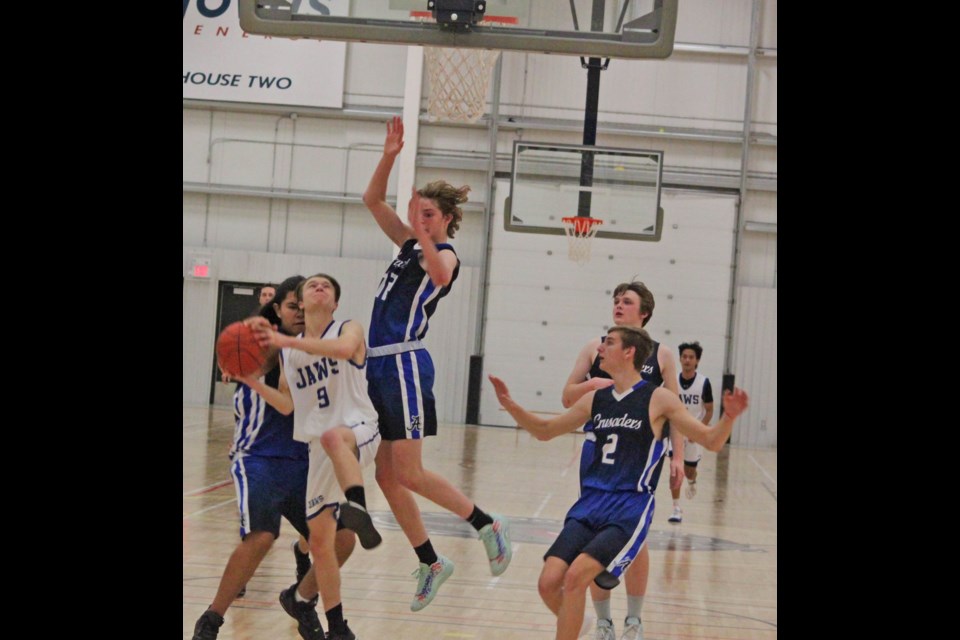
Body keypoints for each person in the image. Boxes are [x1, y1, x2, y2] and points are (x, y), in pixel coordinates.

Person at [489, 326, 749, 640]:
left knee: (575, 577)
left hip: (629, 505)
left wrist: (729, 418)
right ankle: (577, 623)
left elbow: (710, 440)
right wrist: (512, 405)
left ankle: (610, 623)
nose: (600, 349)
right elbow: (545, 430)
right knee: (548, 582)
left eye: (608, 343)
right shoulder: (596, 399)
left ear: (629, 352)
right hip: (590, 504)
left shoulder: (658, 398)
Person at [361, 116, 512, 612]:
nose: (420, 221)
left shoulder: (441, 251)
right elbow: (372, 202)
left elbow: (442, 275)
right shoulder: (410, 245)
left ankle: (485, 523)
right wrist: (389, 155)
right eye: (418, 214)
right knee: (385, 476)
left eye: (429, 214)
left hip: (404, 364)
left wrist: (422, 232)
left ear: (445, 219)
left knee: (410, 472)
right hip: (378, 366)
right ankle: (430, 560)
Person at [192, 276, 357, 640]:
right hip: (260, 456)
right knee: (262, 536)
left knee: (344, 538)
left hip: (305, 461)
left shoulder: (319, 342)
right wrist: (254, 330)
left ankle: (300, 598)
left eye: (303, 306)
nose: (299, 312)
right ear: (278, 310)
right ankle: (212, 619)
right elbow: (257, 345)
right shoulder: (264, 342)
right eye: (292, 306)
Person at [244, 273, 382, 640]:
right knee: (321, 544)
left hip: (359, 428)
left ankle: (358, 505)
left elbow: (340, 351)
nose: (320, 287)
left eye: (328, 286)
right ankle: (335, 624)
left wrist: (283, 338)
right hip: (319, 449)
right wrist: (253, 382)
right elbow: (288, 405)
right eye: (312, 285)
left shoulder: (348, 327)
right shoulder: (290, 351)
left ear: (334, 303)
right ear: (301, 302)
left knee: (336, 437)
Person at [561, 280, 683, 640]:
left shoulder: (661, 355)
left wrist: (676, 456)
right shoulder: (597, 349)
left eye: (626, 301)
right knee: (597, 533)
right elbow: (567, 396)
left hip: (641, 454)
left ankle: (634, 619)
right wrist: (593, 386)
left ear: (643, 312)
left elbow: (675, 411)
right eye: (616, 300)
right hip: (598, 453)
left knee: (634, 538)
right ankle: (603, 621)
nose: (618, 305)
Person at [674, 341, 714, 502]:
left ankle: (691, 481)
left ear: (697, 361)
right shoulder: (672, 380)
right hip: (676, 430)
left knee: (689, 470)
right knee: (675, 468)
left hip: (693, 432)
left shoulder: (704, 383)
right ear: (680, 359)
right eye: (684, 356)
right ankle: (676, 506)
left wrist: (699, 431)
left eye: (691, 357)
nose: (687, 360)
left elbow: (709, 410)